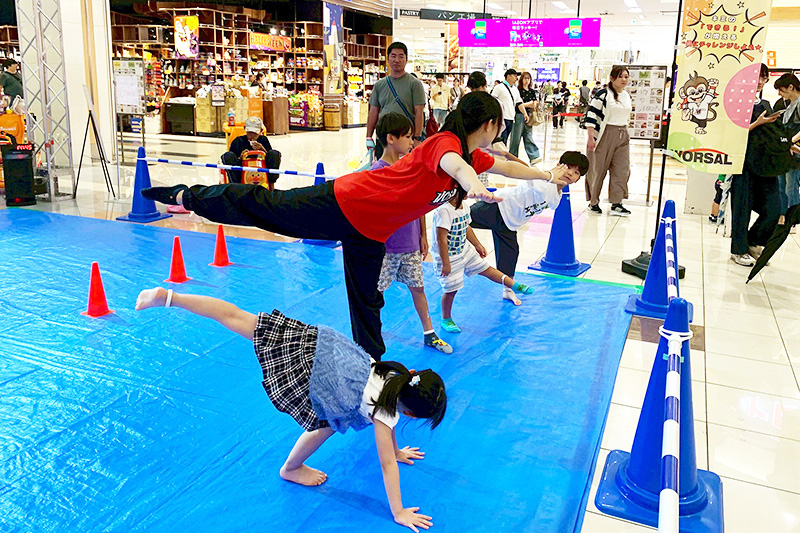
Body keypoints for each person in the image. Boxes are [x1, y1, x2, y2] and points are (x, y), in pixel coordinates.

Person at [141, 91, 571, 361]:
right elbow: (454, 166)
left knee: (367, 302)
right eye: (500, 125)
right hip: (348, 202)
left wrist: (546, 174)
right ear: (489, 124)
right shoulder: (446, 145)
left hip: (372, 232)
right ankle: (188, 196)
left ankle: (372, 367)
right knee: (269, 208)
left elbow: (507, 167)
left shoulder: (474, 154)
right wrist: (474, 186)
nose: (500, 131)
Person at [134, 287, 444, 532]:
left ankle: (170, 297)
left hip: (321, 345)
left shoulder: (398, 374)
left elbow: (390, 442)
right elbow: (386, 465)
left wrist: (397, 451)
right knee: (324, 426)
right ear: (410, 414)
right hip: (320, 375)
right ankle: (290, 468)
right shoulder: (385, 414)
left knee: (239, 318)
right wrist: (399, 512)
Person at [372, 112, 452, 354]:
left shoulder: (409, 167)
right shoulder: (378, 171)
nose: (411, 141)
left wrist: (422, 235)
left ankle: (429, 333)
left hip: (410, 244)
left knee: (418, 288)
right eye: (407, 137)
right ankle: (371, 334)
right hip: (387, 247)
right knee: (376, 293)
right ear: (391, 138)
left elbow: (419, 203)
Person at [470, 151, 588, 303]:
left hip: (510, 224)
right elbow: (525, 169)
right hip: (498, 207)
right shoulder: (544, 179)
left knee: (510, 255)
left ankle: (508, 290)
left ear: (578, 179)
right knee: (460, 220)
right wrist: (506, 154)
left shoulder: (557, 196)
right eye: (568, 167)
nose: (570, 173)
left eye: (576, 172)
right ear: (558, 165)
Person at [431, 189, 534, 332]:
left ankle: (514, 285)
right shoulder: (444, 211)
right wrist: (445, 262)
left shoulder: (464, 207)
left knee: (486, 269)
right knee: (451, 290)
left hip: (464, 250)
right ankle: (446, 318)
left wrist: (477, 245)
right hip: (449, 256)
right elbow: (441, 239)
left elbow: (466, 227)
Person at [728, 63, 782, 266]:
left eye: (763, 77)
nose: (760, 81)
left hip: (766, 165)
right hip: (744, 164)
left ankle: (752, 241)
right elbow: (733, 134)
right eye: (756, 77)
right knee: (742, 208)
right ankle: (738, 250)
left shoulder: (766, 104)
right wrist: (757, 123)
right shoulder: (737, 103)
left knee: (774, 209)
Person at [584, 66, 633, 216]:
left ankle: (617, 202)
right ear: (612, 78)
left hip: (622, 134)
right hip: (604, 135)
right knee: (597, 170)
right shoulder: (603, 93)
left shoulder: (626, 95)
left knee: (622, 170)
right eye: (620, 76)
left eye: (626, 77)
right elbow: (592, 114)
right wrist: (591, 136)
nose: (624, 79)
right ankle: (593, 202)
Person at [366, 43, 426, 160]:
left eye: (401, 56)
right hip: (383, 139)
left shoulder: (414, 84)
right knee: (383, 167)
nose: (397, 60)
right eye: (393, 56)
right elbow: (373, 112)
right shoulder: (379, 85)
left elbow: (419, 112)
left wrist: (417, 138)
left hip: (405, 139)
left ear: (406, 59)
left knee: (404, 168)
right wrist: (368, 137)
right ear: (388, 58)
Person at [221, 117, 281, 189]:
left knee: (275, 153)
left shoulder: (263, 140)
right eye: (249, 132)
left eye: (255, 133)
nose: (252, 135)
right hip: (242, 170)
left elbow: (270, 157)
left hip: (261, 169)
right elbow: (232, 158)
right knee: (227, 155)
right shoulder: (238, 141)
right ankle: (236, 186)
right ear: (245, 129)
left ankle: (271, 184)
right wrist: (240, 157)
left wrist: (263, 150)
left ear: (261, 131)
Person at [774, 73, 800, 234]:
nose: (779, 94)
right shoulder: (790, 104)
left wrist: (792, 141)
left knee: (791, 186)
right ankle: (783, 216)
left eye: (781, 90)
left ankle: (793, 220)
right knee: (781, 185)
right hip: (785, 151)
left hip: (794, 152)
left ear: (791, 87)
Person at [508, 71, 541, 164]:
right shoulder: (517, 91)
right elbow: (517, 104)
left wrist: (529, 104)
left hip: (529, 116)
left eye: (528, 78)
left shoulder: (531, 91)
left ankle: (534, 156)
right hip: (519, 115)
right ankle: (513, 157)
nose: (527, 80)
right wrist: (527, 104)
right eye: (525, 78)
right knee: (516, 137)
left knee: (528, 136)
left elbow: (535, 102)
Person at [490, 68, 522, 144]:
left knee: (506, 138)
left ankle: (502, 150)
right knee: (501, 138)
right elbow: (492, 100)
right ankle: (500, 151)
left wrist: (525, 114)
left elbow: (519, 103)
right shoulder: (499, 87)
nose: (516, 78)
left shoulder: (515, 89)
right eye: (514, 75)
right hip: (502, 117)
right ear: (508, 76)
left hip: (511, 118)